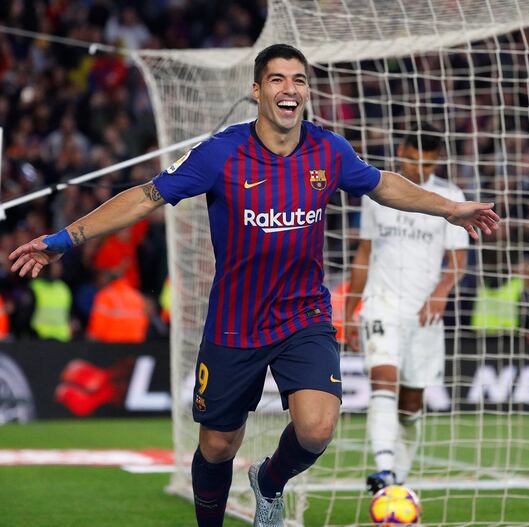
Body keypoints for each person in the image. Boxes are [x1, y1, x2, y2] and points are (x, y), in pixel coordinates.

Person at [8, 44, 499, 527]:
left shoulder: (329, 150)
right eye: (279, 79)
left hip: (302, 316)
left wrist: (450, 208)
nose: (291, 89)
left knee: (317, 428)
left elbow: (384, 184)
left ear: (307, 92)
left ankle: (269, 481)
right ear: (258, 90)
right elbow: (145, 196)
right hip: (236, 323)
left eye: (299, 80)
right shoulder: (221, 153)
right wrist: (64, 238)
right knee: (219, 445)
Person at [344, 123, 468, 492]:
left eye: (427, 165)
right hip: (381, 304)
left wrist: (442, 290)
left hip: (424, 313)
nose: (420, 171)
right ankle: (384, 471)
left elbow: (459, 258)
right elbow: (364, 252)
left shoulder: (451, 195)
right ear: (402, 153)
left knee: (411, 406)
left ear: (437, 161)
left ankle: (399, 475)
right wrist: (351, 309)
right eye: (414, 162)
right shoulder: (378, 193)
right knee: (383, 381)